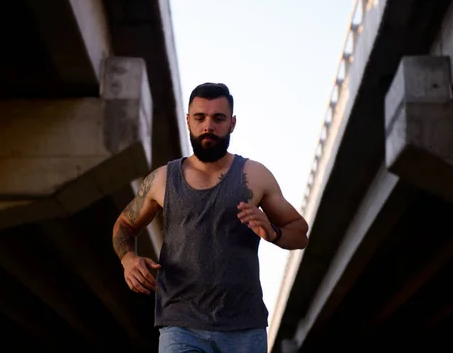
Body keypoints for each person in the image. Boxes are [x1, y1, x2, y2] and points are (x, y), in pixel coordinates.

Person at [112, 82, 309, 353]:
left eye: (218, 118)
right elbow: (124, 225)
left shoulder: (254, 175)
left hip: (244, 328)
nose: (208, 126)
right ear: (188, 121)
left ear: (232, 123)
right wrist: (128, 258)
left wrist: (273, 232)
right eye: (200, 117)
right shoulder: (163, 179)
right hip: (180, 325)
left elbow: (300, 232)